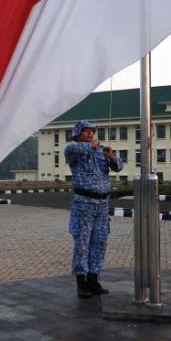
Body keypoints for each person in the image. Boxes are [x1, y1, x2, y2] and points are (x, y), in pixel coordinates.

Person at [64, 120, 123, 298]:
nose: (90, 134)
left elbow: (118, 166)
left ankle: (94, 279)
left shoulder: (100, 151)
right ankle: (81, 282)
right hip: (84, 202)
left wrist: (111, 156)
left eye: (92, 131)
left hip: (102, 204)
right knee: (82, 243)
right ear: (78, 133)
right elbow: (75, 150)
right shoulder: (73, 149)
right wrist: (92, 146)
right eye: (86, 131)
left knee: (99, 242)